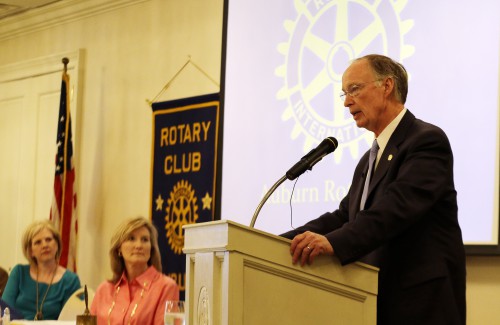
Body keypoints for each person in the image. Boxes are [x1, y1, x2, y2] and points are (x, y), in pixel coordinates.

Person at [281, 54, 466, 325]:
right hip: (377, 301)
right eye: (344, 93)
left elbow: (394, 209)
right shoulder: (369, 159)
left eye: (354, 89)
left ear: (387, 86)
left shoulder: (426, 141)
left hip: (422, 304)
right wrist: (276, 241)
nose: (346, 102)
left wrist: (334, 242)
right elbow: (345, 215)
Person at [90, 216, 179, 325]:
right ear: (119, 249)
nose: (139, 245)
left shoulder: (166, 287)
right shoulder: (104, 290)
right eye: (131, 239)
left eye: (145, 240)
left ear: (151, 248)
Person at [2, 219, 81, 320]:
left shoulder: (70, 280)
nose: (45, 245)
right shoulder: (19, 273)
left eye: (48, 240)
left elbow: (69, 319)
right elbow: (5, 311)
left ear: (57, 244)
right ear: (31, 251)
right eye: (38, 242)